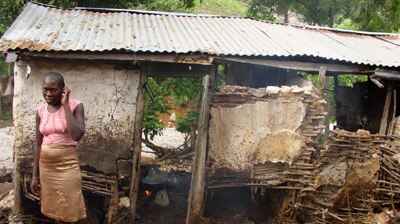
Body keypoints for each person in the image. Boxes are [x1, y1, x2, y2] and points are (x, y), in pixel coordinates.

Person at [30, 72, 87, 223]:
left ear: (63, 90)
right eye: (45, 89)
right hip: (47, 167)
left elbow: (76, 135)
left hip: (67, 165)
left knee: (70, 205)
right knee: (53, 207)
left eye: (53, 90)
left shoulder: (76, 105)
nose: (48, 94)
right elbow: (37, 144)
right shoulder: (40, 110)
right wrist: (35, 176)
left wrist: (65, 104)